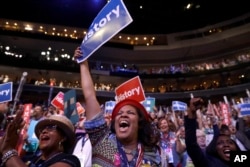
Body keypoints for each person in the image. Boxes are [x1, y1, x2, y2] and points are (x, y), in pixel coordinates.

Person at [74, 47, 161, 166]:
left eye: (130, 113)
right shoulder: (102, 142)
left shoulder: (151, 154)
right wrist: (83, 63)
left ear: (140, 122)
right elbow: (90, 97)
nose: (123, 114)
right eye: (119, 113)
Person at [0, 110, 81, 167]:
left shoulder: (70, 161)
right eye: (42, 129)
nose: (44, 131)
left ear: (63, 137)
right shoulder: (32, 159)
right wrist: (7, 140)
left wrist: (8, 150)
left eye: (50, 127)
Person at [185, 97, 240, 167]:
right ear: (215, 149)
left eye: (230, 142)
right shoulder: (210, 163)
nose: (226, 145)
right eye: (220, 143)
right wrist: (191, 114)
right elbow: (191, 145)